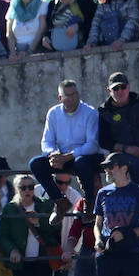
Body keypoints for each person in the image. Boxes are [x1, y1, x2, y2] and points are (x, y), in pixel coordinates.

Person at [31, 79, 103, 222]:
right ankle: (59, 202)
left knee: (82, 162)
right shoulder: (53, 113)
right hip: (64, 157)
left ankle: (89, 203)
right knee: (36, 163)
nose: (72, 98)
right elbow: (46, 141)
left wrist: (68, 156)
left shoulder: (90, 113)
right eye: (68, 95)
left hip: (88, 157)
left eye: (74, 94)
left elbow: (93, 145)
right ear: (60, 98)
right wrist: (53, 154)